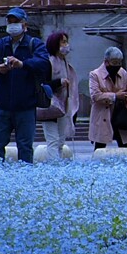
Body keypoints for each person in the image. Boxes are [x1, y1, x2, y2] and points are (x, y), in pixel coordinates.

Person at [0, 7, 51, 163]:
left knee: (25, 146)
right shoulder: (0, 44)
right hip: (3, 105)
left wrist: (23, 64)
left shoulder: (34, 44)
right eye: (10, 21)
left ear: (24, 25)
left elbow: (44, 63)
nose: (13, 25)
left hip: (26, 105)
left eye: (16, 22)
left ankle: (25, 177)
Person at [89, 47, 127, 150]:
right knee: (100, 148)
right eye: (114, 62)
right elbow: (95, 95)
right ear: (106, 62)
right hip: (103, 116)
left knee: (125, 147)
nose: (117, 65)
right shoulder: (95, 75)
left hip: (120, 115)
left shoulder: (122, 72)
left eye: (119, 62)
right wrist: (115, 96)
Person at [42, 31, 80, 160]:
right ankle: (54, 166)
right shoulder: (49, 62)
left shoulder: (65, 63)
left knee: (61, 140)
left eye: (66, 41)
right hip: (50, 105)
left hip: (64, 105)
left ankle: (58, 162)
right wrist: (59, 82)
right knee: (52, 139)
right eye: (63, 42)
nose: (66, 45)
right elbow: (43, 84)